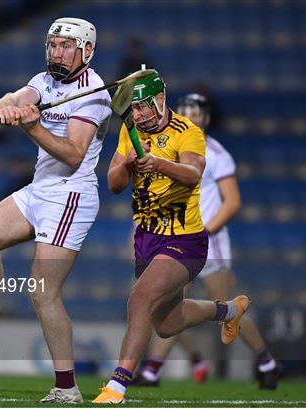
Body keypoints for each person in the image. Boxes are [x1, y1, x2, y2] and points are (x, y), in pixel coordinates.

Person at [0, 17, 112, 403]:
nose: (57, 52)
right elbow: (14, 98)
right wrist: (8, 107)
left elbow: (72, 155)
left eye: (67, 46)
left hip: (70, 196)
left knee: (43, 292)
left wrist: (31, 128)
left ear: (86, 51)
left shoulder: (95, 94)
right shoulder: (45, 80)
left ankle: (67, 388)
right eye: (53, 44)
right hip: (39, 190)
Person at [92, 71, 250, 404]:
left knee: (139, 299)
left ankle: (117, 386)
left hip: (186, 240)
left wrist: (158, 164)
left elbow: (193, 174)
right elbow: (114, 184)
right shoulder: (129, 130)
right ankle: (227, 311)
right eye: (132, 110)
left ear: (160, 100)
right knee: (167, 323)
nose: (136, 115)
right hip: (147, 239)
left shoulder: (187, 132)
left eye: (142, 108)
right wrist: (130, 163)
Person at [133, 93, 281, 390]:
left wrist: (205, 229)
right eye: (186, 110)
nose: (191, 116)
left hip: (208, 242)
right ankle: (152, 370)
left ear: (207, 118)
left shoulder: (216, 153)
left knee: (226, 310)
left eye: (197, 112)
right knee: (169, 307)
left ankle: (267, 362)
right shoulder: (169, 145)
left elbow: (232, 202)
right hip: (178, 240)